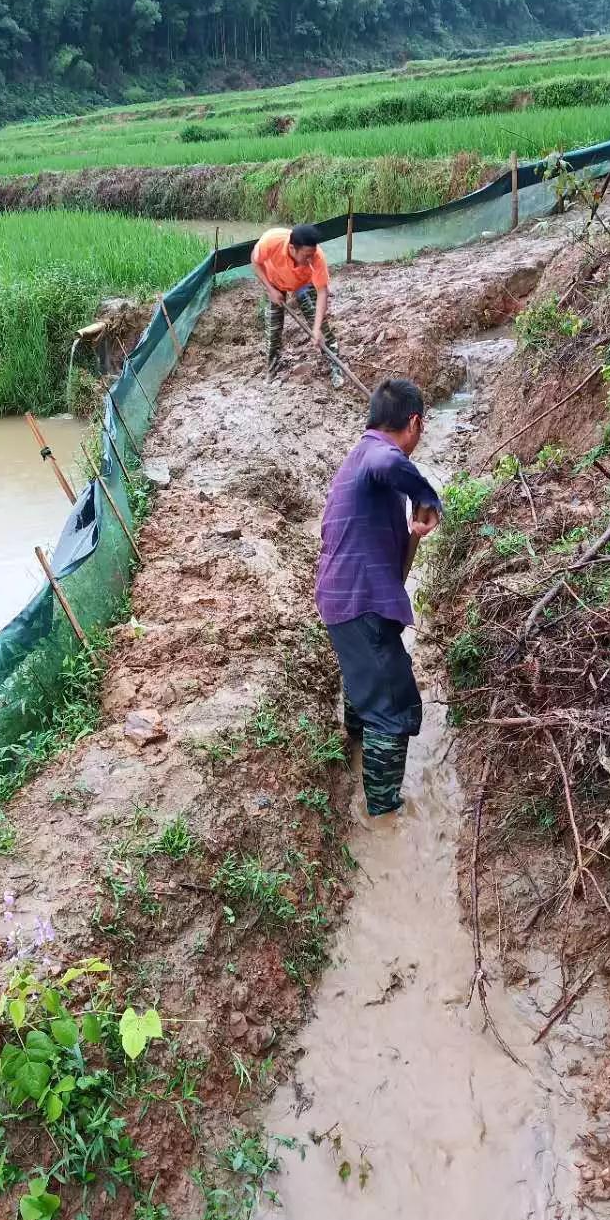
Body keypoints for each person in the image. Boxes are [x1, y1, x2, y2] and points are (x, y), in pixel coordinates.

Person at [315, 378, 441, 817]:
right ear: (414, 422)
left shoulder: (360, 461)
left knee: (367, 679)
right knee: (393, 705)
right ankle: (385, 813)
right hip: (358, 602)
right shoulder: (377, 454)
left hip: (351, 599)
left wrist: (415, 533)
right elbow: (390, 462)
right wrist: (427, 495)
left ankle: (354, 743)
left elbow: (392, 552)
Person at [251, 224, 343, 389]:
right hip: (275, 281)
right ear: (292, 248)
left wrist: (316, 329)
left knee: (322, 329)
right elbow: (255, 260)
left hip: (303, 284)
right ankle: (272, 370)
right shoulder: (271, 241)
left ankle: (336, 368)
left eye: (312, 255)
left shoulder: (317, 257)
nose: (310, 260)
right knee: (273, 330)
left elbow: (322, 292)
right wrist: (270, 290)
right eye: (306, 256)